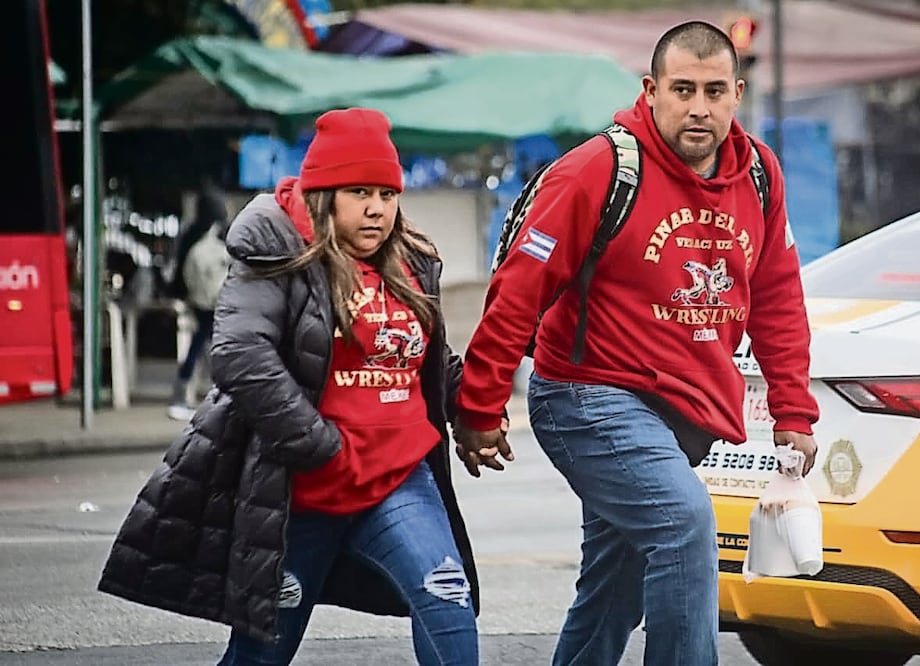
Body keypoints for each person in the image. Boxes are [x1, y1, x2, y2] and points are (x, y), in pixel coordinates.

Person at [453, 21, 820, 666]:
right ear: (651, 90)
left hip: (689, 409)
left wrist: (793, 409)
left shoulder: (759, 174)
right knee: (684, 525)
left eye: (713, 91)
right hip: (588, 397)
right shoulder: (600, 169)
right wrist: (481, 405)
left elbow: (778, 294)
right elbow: (518, 290)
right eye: (682, 89)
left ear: (737, 94)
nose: (698, 107)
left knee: (614, 590)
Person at [99, 108, 480, 665]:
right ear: (325, 195)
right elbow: (238, 353)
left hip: (399, 479)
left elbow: (427, 359)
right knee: (260, 654)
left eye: (387, 193)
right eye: (359, 192)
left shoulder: (412, 261)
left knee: (447, 601)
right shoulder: (277, 251)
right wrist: (321, 448)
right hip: (304, 491)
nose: (378, 208)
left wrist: (478, 405)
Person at [167, 185, 231, 421]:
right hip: (215, 299)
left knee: (201, 342)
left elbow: (179, 269)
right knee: (212, 344)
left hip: (196, 298)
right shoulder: (219, 234)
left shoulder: (190, 233)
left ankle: (186, 390)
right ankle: (209, 394)